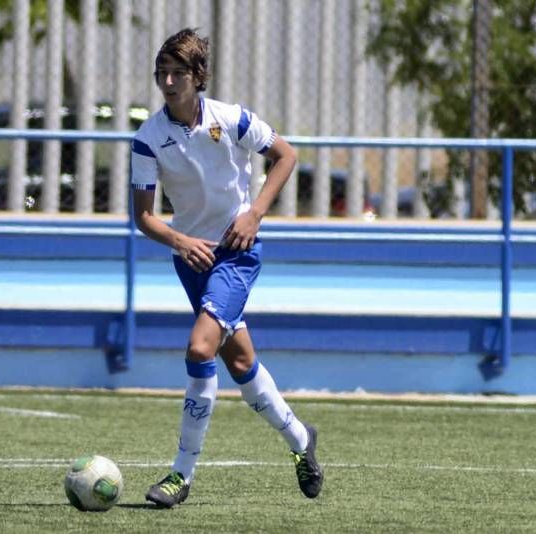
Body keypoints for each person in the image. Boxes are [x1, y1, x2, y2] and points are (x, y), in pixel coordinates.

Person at [130, 28, 324, 509]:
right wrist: (178, 239)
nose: (168, 82)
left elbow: (286, 155)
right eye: (162, 73)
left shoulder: (231, 119)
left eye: (178, 73)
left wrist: (254, 213)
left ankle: (181, 474)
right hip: (192, 259)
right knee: (238, 362)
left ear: (198, 77)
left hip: (236, 252)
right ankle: (302, 441)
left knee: (200, 347)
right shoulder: (147, 139)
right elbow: (143, 217)